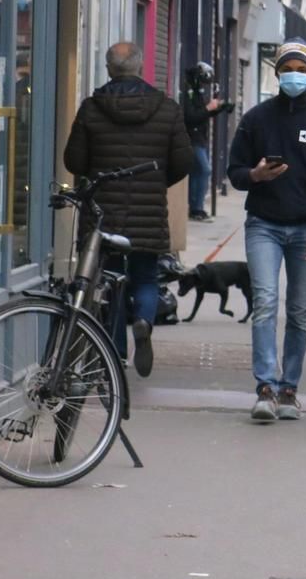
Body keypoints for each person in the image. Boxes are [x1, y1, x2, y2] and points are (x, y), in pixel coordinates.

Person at [227, 43, 306, 422]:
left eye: (301, 69)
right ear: (277, 73)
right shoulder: (256, 119)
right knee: (264, 301)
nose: (295, 74)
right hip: (264, 224)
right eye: (287, 68)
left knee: (299, 311)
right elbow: (235, 172)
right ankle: (265, 386)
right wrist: (255, 176)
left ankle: (289, 387)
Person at [64, 42, 193, 377]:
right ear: (141, 66)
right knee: (146, 277)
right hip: (148, 209)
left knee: (108, 281)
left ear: (108, 68)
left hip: (102, 211)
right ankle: (144, 320)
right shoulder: (167, 108)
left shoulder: (92, 108)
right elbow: (182, 162)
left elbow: (73, 161)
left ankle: (115, 356)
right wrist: (155, 181)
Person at [182, 62, 232, 222]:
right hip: (191, 138)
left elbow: (202, 114)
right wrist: (208, 108)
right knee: (204, 170)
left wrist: (220, 107)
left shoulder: (196, 92)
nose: (204, 85)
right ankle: (197, 208)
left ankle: (195, 207)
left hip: (200, 138)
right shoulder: (187, 92)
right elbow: (190, 117)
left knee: (197, 172)